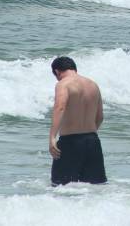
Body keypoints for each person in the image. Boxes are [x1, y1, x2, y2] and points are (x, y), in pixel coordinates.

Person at [49, 56, 106, 186]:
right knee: (95, 189)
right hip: (93, 142)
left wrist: (52, 137)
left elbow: (60, 107)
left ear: (57, 72)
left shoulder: (63, 84)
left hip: (70, 143)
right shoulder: (93, 85)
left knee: (60, 188)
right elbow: (100, 117)